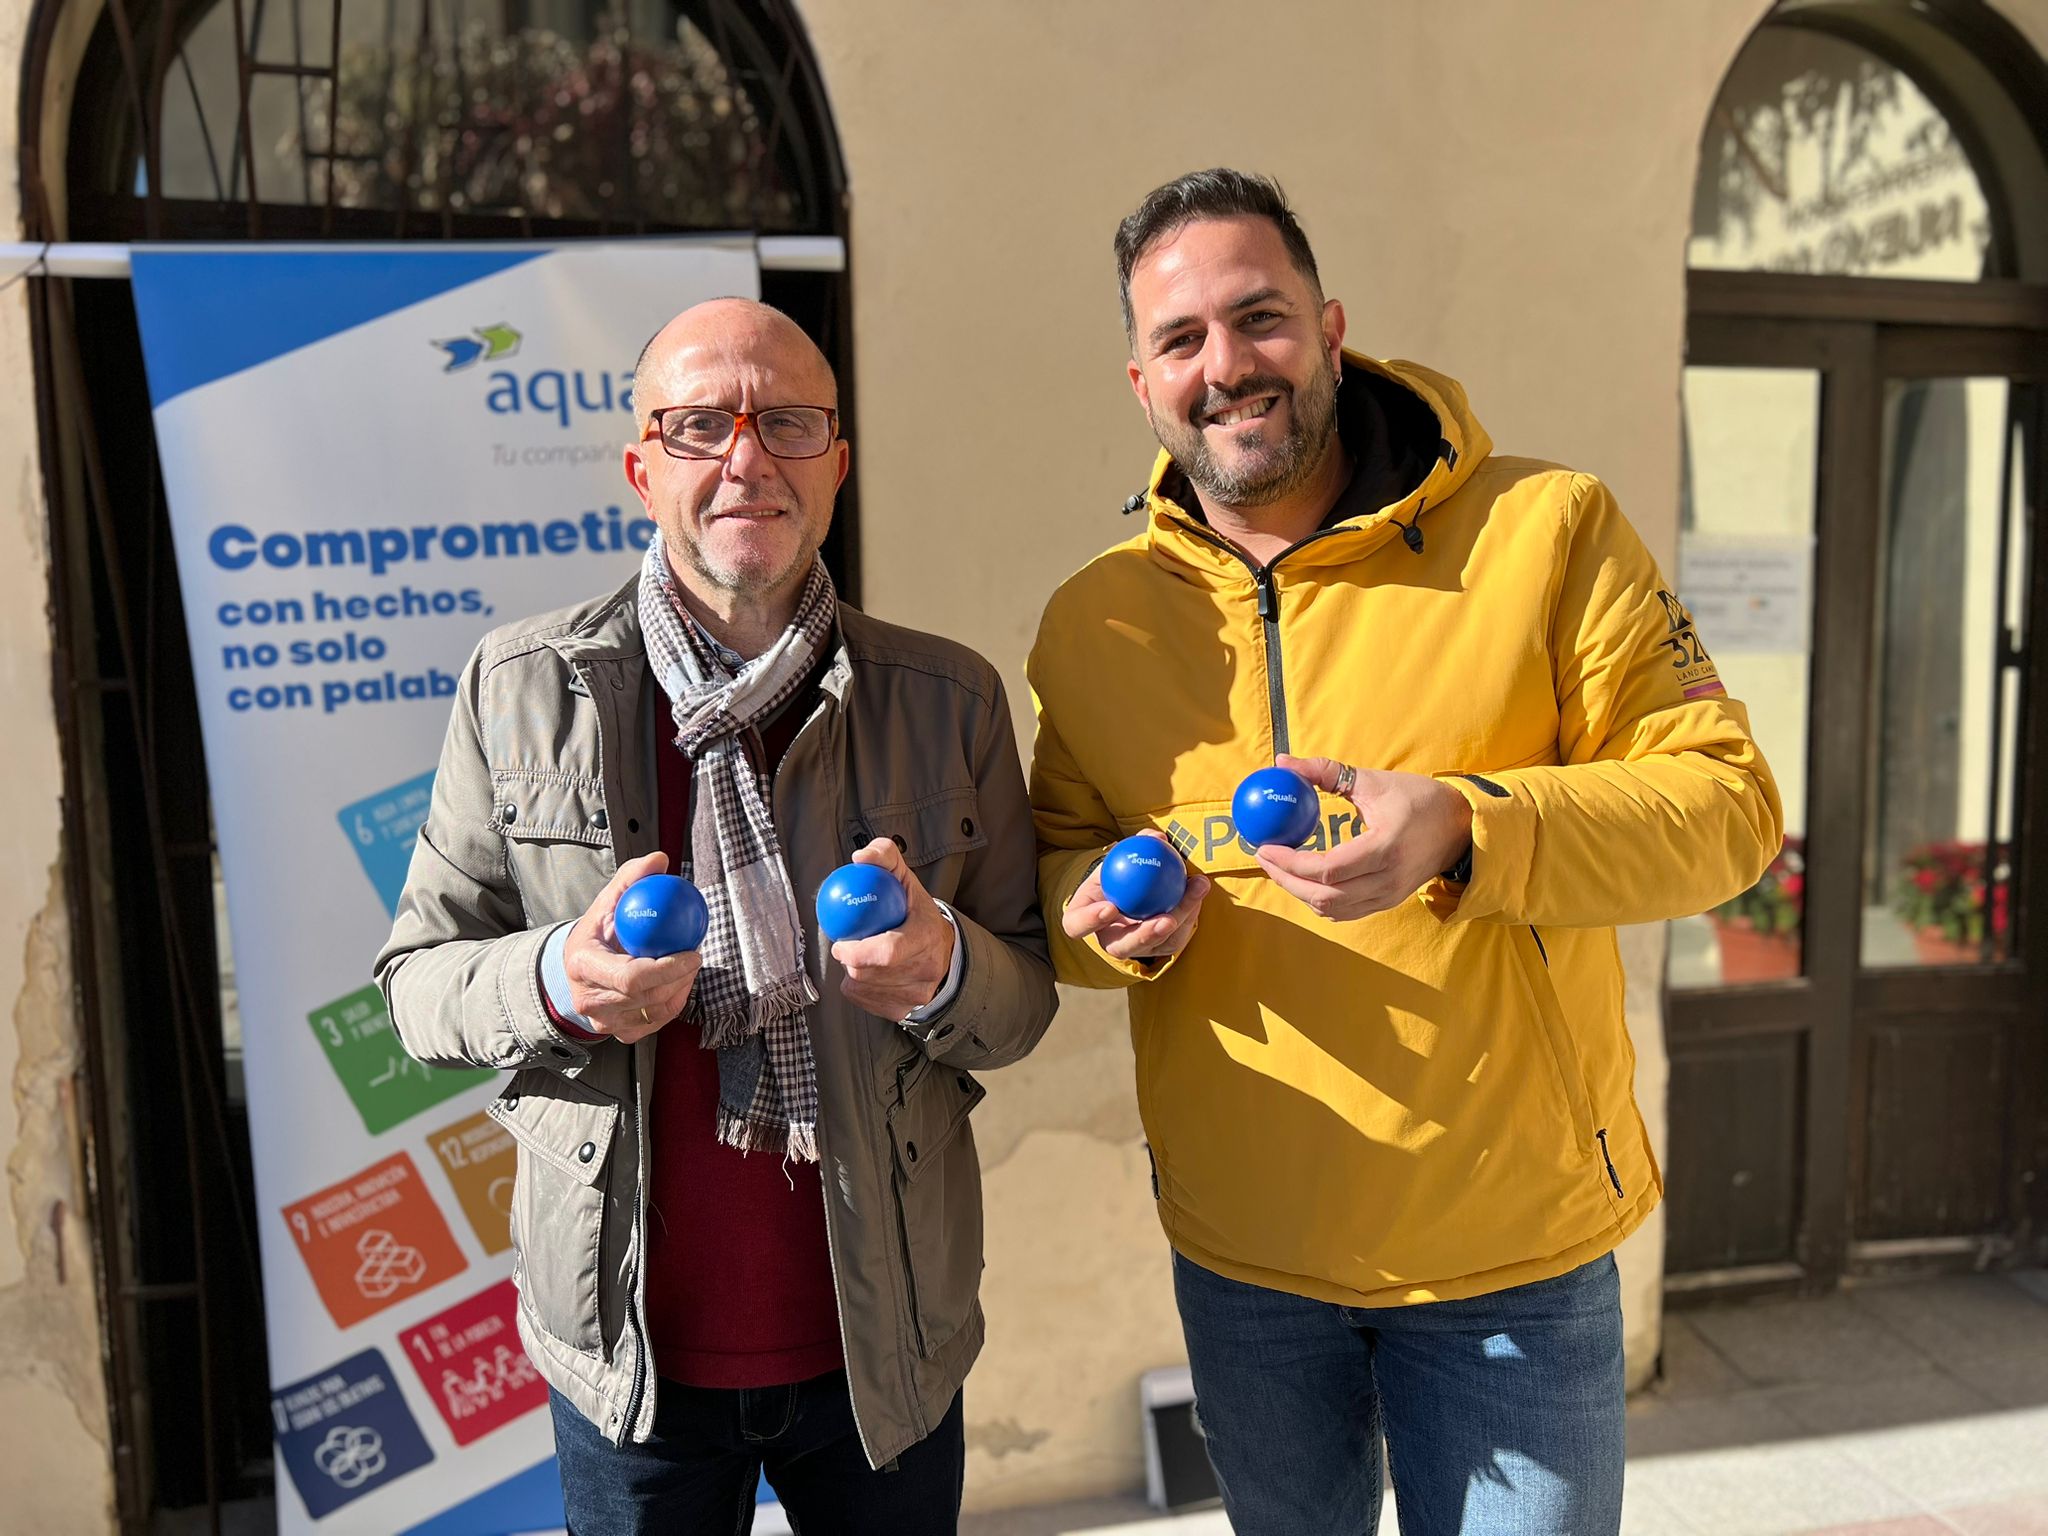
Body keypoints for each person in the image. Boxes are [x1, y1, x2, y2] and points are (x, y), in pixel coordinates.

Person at [1027, 169, 1782, 1536]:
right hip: (1248, 1267)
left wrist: (1467, 827)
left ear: (1329, 328)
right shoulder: (1095, 625)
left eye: (1259, 317)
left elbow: (1726, 809)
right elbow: (1055, 882)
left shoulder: (1547, 530)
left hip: (1511, 1261)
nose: (1226, 364)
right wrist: (1105, 925)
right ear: (1141, 384)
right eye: (1182, 339)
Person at [378, 298, 1057, 1535]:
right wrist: (558, 981)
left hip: (883, 1352)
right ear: (642, 469)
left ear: (837, 463)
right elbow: (417, 987)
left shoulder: (946, 698)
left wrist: (944, 969)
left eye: (785, 422)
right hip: (628, 1363)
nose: (746, 458)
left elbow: (1020, 1002)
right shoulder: (521, 689)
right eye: (698, 425)